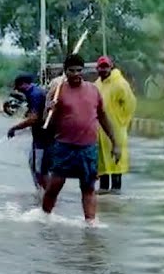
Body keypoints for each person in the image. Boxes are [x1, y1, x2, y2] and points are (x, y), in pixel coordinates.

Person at [41, 53, 122, 224]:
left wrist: (115, 143)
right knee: (54, 186)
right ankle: (44, 218)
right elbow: (47, 123)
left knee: (88, 187)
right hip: (64, 147)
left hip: (87, 147)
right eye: (72, 71)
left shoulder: (93, 90)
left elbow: (103, 117)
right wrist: (51, 109)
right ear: (66, 72)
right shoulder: (58, 91)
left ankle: (90, 224)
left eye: (79, 70)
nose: (76, 74)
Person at [94, 55, 137, 194]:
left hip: (116, 129)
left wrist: (121, 121)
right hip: (100, 129)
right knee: (103, 161)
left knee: (116, 161)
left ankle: (116, 194)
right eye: (101, 67)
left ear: (111, 67)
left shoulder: (120, 84)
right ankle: (105, 193)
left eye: (106, 66)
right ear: (97, 68)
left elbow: (130, 104)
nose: (103, 69)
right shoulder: (97, 84)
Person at [7, 73, 52, 191]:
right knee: (34, 164)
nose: (19, 91)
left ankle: (48, 196)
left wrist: (15, 128)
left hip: (43, 138)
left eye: (19, 88)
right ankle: (41, 194)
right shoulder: (36, 92)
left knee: (40, 169)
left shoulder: (34, 94)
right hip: (40, 137)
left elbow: (34, 118)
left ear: (24, 85)